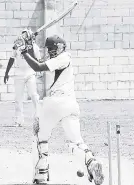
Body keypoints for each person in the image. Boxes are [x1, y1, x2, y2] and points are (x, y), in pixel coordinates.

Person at [19, 34, 104, 184]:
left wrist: (24, 52)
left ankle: (40, 176)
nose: (50, 52)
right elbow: (38, 63)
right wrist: (30, 45)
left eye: (51, 49)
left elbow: (37, 66)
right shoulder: (62, 58)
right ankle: (91, 162)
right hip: (71, 105)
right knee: (76, 142)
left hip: (54, 104)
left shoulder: (61, 58)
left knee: (40, 138)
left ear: (59, 48)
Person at [4, 29, 41, 127]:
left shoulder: (35, 47)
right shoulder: (17, 46)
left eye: (25, 35)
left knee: (34, 95)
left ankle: (38, 117)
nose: (23, 37)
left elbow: (37, 60)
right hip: (19, 74)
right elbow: (12, 59)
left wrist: (30, 46)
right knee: (18, 98)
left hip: (30, 73)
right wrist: (6, 73)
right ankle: (18, 119)